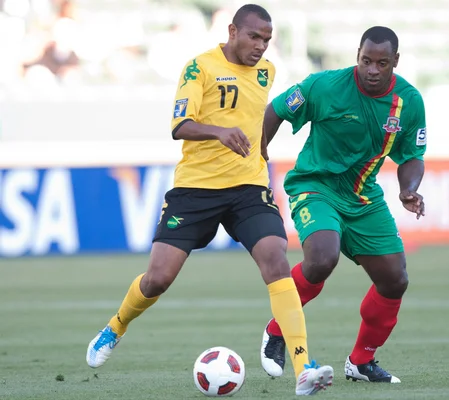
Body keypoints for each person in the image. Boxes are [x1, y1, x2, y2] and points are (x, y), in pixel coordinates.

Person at [85, 4, 333, 396]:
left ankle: (305, 367)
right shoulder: (199, 66)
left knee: (276, 260)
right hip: (195, 189)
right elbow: (178, 126)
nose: (260, 47)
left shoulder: (267, 72)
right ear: (233, 31)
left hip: (248, 187)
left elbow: (261, 116)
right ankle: (114, 327)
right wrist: (219, 132)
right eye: (254, 37)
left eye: (267, 41)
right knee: (158, 278)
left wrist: (261, 147)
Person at [260, 26, 427, 384]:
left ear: (394, 62)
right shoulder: (324, 86)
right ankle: (277, 330)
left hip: (363, 198)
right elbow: (275, 110)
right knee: (322, 258)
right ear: (357, 55)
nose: (371, 69)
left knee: (394, 280)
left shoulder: (408, 102)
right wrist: (259, 154)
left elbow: (412, 155)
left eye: (381, 63)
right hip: (315, 186)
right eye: (366, 60)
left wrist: (408, 189)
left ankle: (361, 361)